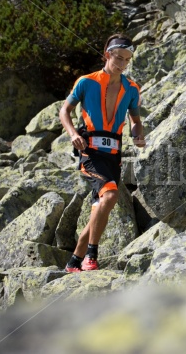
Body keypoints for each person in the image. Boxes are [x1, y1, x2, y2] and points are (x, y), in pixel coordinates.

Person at [59, 34, 145, 272]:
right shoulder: (86, 82)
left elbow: (136, 120)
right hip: (89, 151)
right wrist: (73, 133)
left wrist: (138, 134)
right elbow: (64, 111)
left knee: (100, 208)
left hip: (114, 155)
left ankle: (73, 261)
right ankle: (91, 256)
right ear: (108, 54)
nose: (122, 63)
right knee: (110, 196)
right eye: (119, 57)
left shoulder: (132, 88)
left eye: (127, 60)